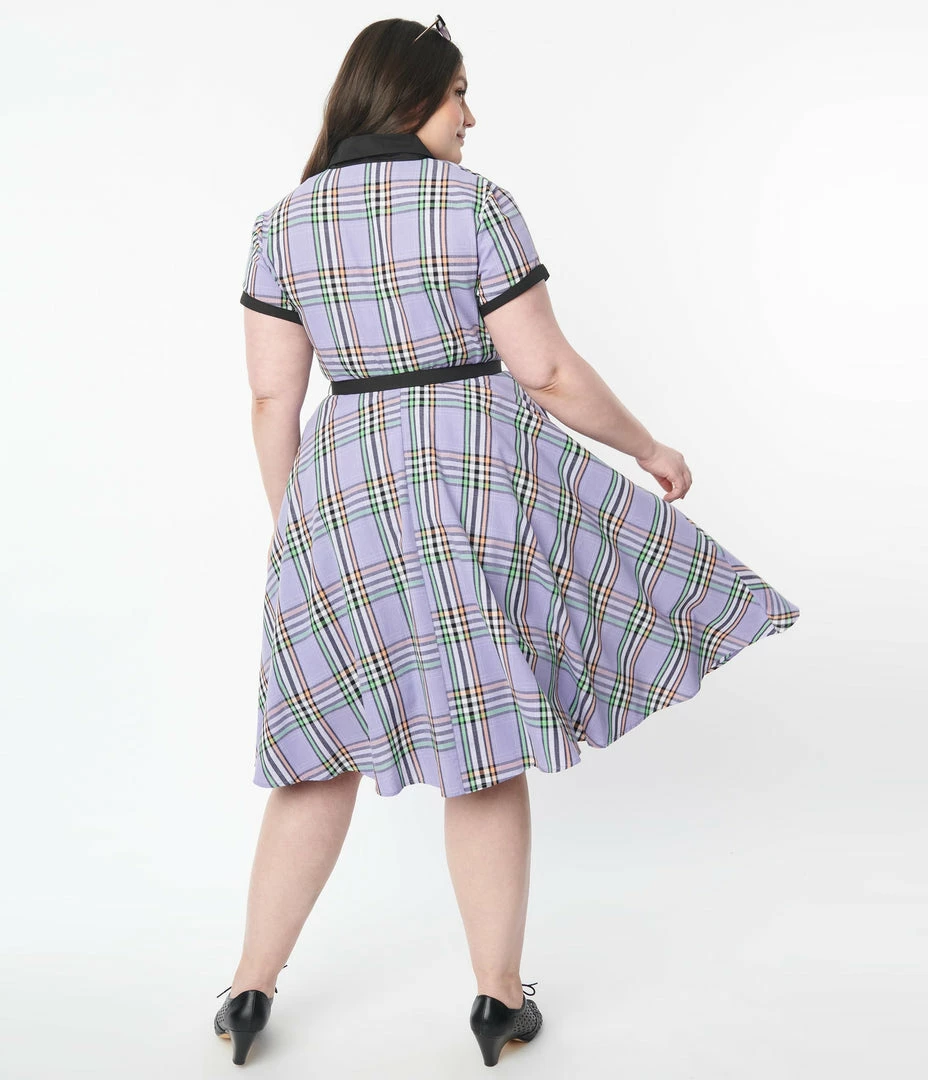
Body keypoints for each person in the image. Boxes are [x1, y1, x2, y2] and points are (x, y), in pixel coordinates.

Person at [214, 14, 801, 1068]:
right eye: (457, 95)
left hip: (337, 498)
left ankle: (249, 989)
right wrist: (648, 447)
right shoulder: (474, 203)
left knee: (317, 750)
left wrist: (294, 529)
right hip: (467, 487)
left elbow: (270, 401)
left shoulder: (282, 224)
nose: (470, 116)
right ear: (409, 98)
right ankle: (496, 1000)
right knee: (478, 749)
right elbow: (546, 372)